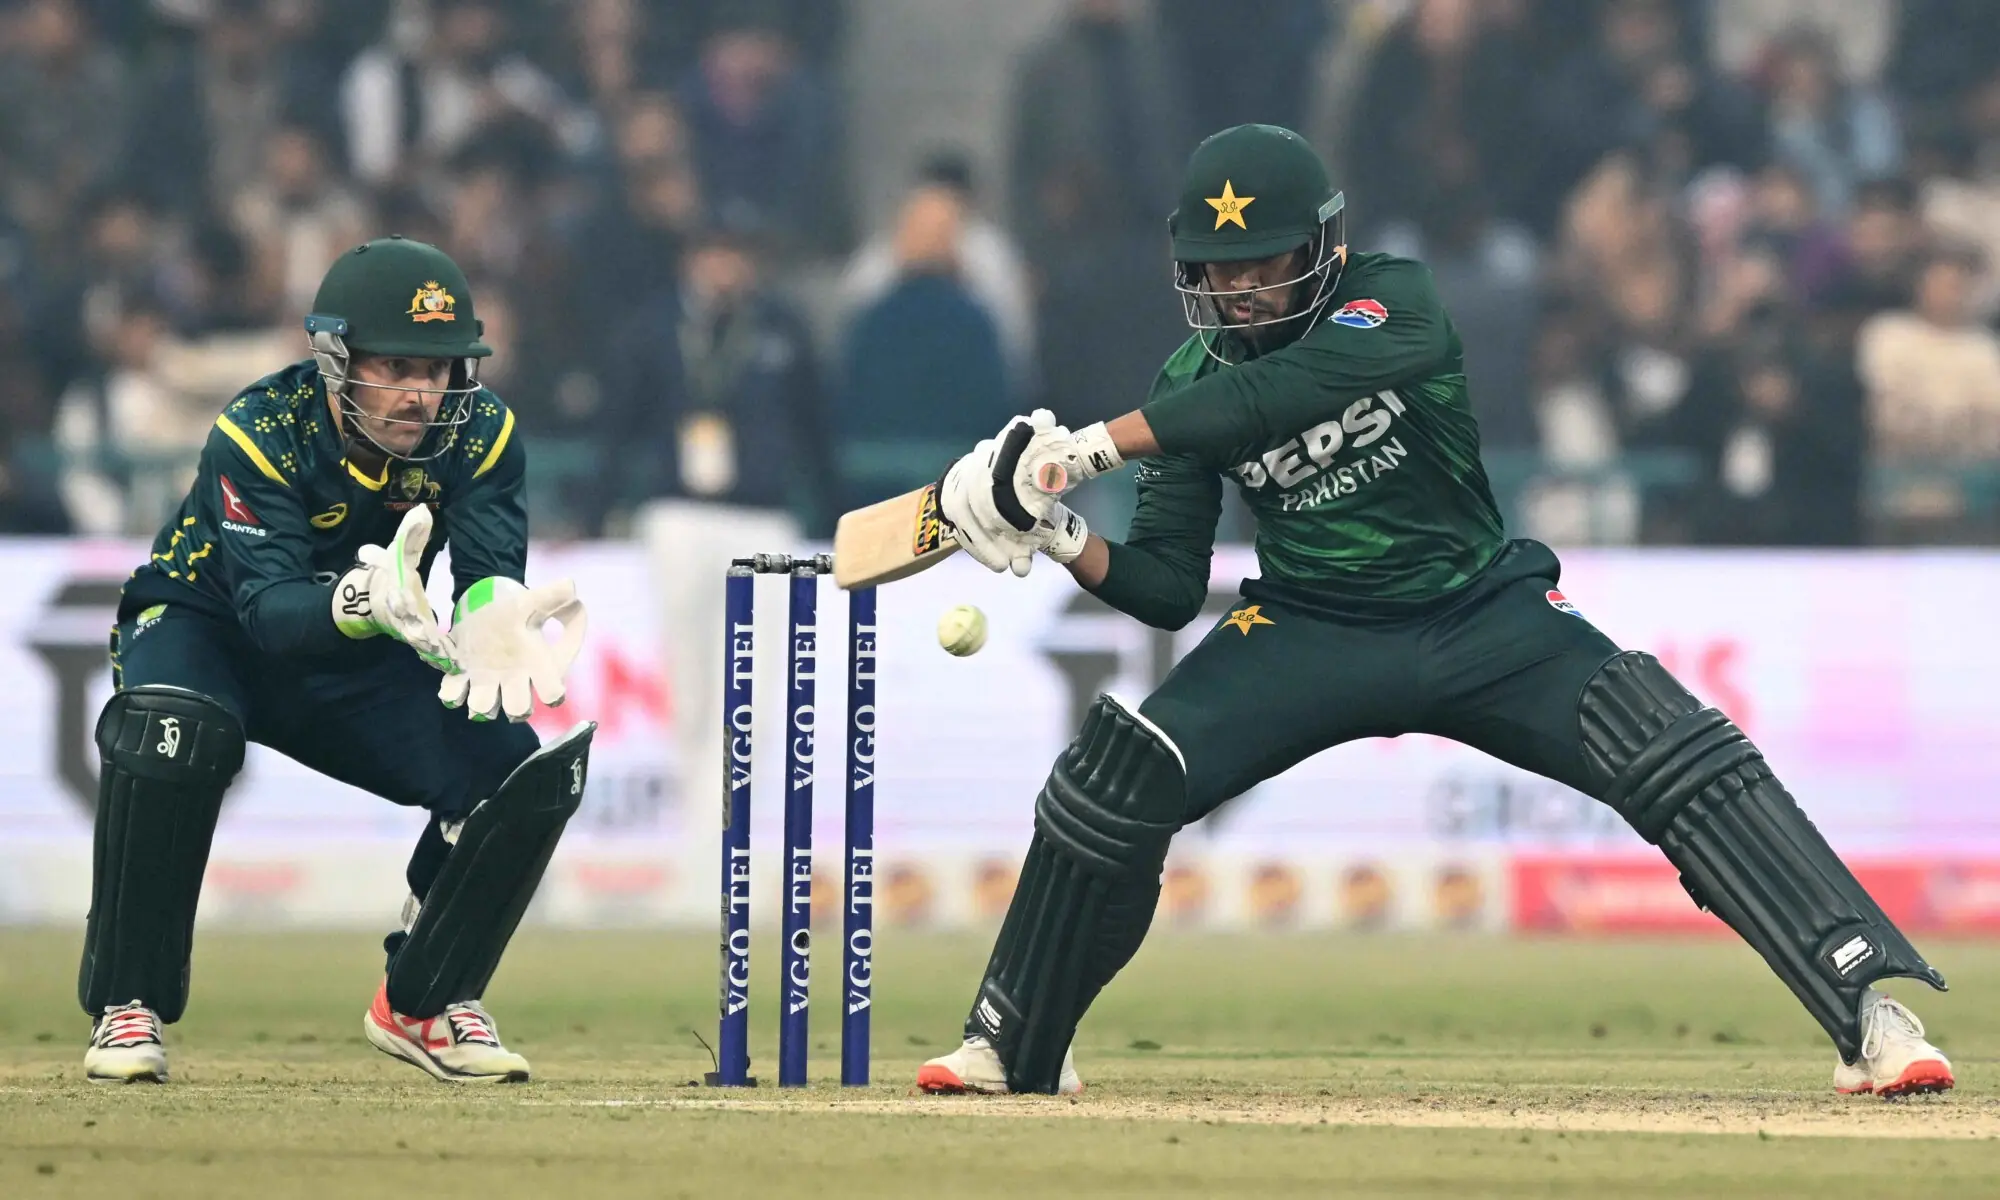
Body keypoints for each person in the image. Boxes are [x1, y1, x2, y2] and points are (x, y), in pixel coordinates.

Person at [916, 124, 1953, 1101]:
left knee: (1666, 742)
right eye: (1216, 270)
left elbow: (1270, 400)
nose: (1236, 290)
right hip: (1306, 630)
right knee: (1115, 773)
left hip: (1475, 613)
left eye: (1262, 261)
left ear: (1325, 246)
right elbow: (1167, 588)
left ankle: (1867, 1013)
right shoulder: (1183, 384)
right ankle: (1012, 1043)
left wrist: (1078, 450)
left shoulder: (1391, 302)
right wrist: (1056, 532)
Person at [79, 237, 592, 1085]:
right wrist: (357, 601)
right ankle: (127, 1006)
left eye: (438, 371)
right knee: (174, 731)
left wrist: (492, 612)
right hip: (209, 625)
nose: (419, 395)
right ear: (335, 360)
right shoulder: (259, 430)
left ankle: (426, 1000)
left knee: (514, 770)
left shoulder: (484, 436)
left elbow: (488, 571)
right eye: (394, 366)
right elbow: (268, 614)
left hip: (366, 641)